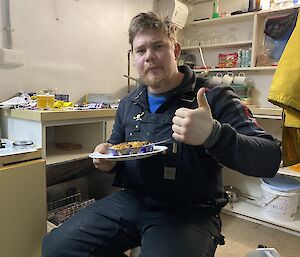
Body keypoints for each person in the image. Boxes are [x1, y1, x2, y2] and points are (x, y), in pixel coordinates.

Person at [42, 12, 281, 257]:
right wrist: (108, 159)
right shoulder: (128, 103)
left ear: (175, 50)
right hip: (132, 200)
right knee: (56, 247)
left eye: (158, 46)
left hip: (190, 210)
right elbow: (117, 147)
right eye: (141, 50)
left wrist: (213, 135)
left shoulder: (213, 96)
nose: (149, 57)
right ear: (133, 58)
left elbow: (270, 159)